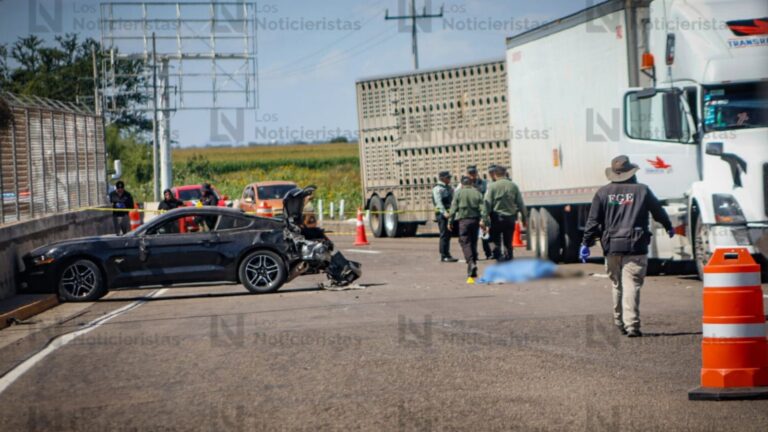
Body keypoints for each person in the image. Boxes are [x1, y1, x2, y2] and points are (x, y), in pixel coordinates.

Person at [580, 155, 674, 338]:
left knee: (617, 284)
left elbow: (593, 221)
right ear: (632, 173)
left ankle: (618, 321)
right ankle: (632, 325)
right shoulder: (643, 191)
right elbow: (658, 212)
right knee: (632, 284)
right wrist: (668, 226)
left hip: (611, 245)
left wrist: (586, 243)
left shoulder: (603, 192)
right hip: (636, 245)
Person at [481, 166, 527, 262]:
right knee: (508, 241)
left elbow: (487, 203)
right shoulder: (513, 186)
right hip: (510, 219)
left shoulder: (492, 186)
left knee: (493, 240)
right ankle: (509, 258)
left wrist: (484, 220)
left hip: (497, 218)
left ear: (495, 174)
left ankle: (498, 255)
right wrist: (524, 219)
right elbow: (521, 204)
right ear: (505, 173)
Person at [449, 176, 484, 277]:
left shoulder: (458, 193)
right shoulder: (477, 192)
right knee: (473, 242)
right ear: (471, 183)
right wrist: (484, 221)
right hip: (475, 221)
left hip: (464, 221)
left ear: (462, 184)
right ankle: (473, 267)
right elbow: (483, 208)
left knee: (465, 242)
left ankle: (470, 263)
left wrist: (450, 221)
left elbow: (453, 208)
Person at [465, 165, 492, 260]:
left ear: (476, 173)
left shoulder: (484, 183)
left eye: (474, 173)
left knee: (485, 233)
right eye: (470, 173)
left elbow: (487, 196)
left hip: (481, 211)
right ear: (467, 174)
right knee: (472, 236)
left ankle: (489, 253)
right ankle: (474, 255)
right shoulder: (463, 185)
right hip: (470, 213)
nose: (472, 176)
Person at [432, 171, 457, 262]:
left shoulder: (448, 187)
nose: (449, 179)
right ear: (442, 178)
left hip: (448, 214)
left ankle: (447, 253)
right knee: (444, 234)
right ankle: (444, 255)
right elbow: (438, 202)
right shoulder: (438, 188)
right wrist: (444, 213)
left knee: (448, 234)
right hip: (442, 215)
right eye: (448, 178)